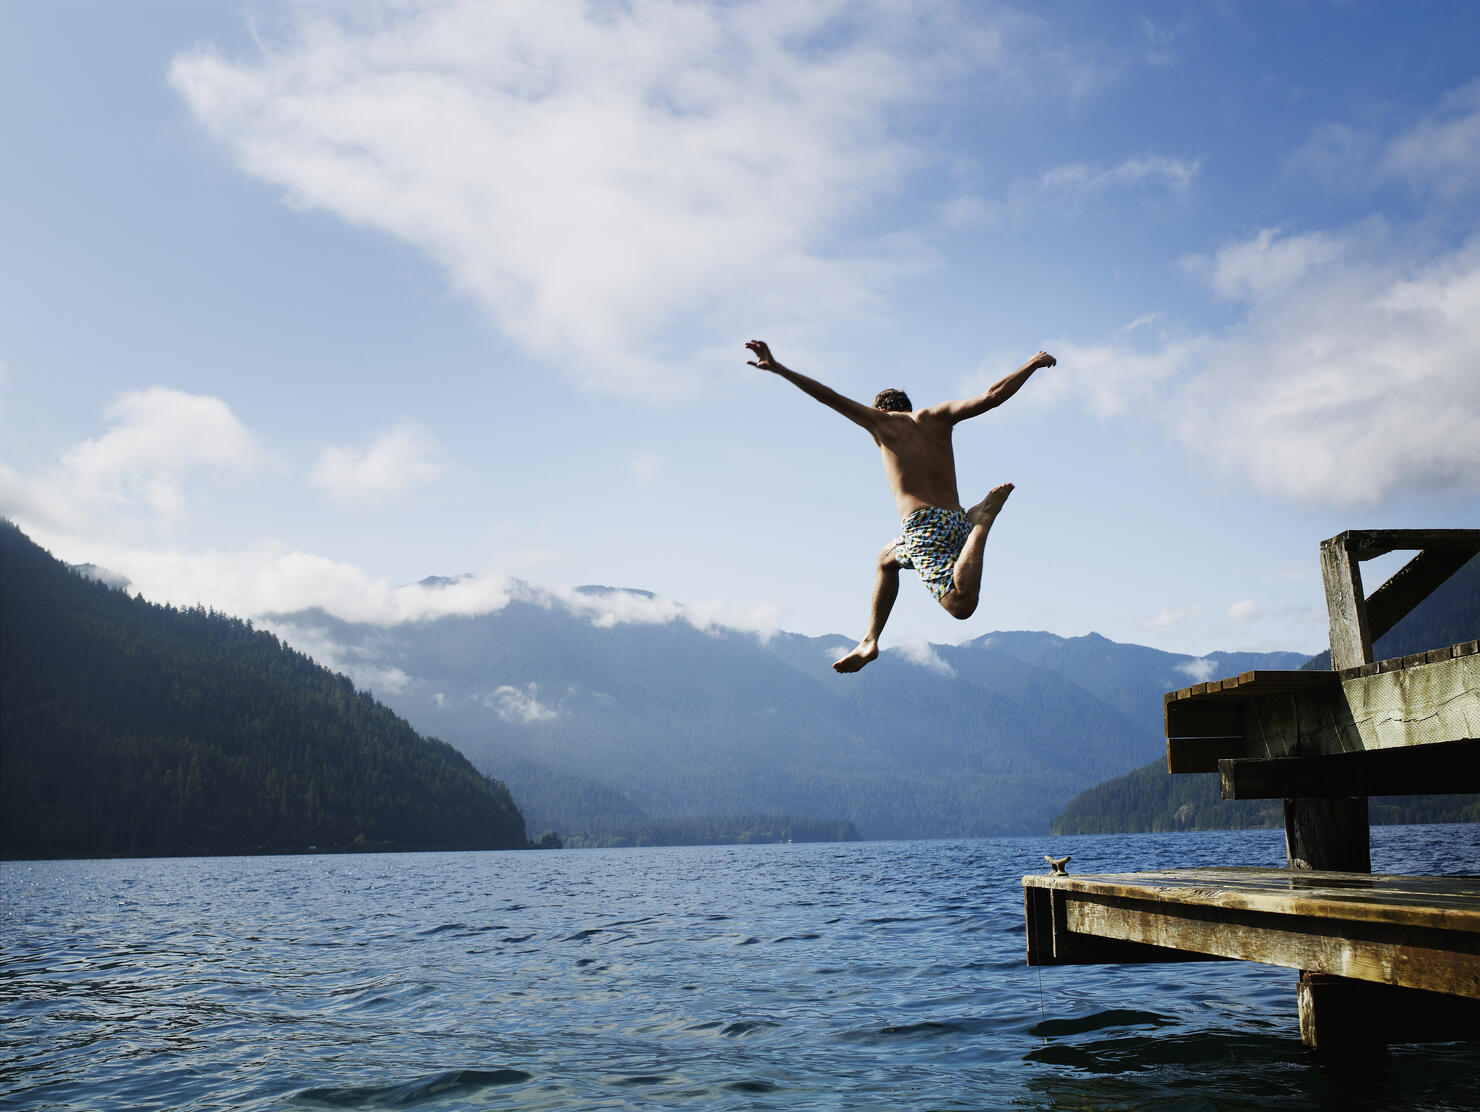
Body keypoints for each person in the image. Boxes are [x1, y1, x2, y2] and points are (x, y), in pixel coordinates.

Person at [745, 340, 1056, 673]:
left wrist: (778, 368)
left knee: (961, 604)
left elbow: (828, 395)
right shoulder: (938, 416)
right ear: (908, 405)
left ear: (879, 410)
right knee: (885, 559)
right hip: (953, 522)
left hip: (924, 529)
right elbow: (992, 396)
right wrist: (1032, 364)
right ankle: (870, 641)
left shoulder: (881, 424)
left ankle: (983, 520)